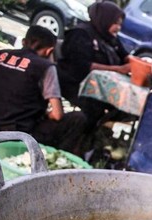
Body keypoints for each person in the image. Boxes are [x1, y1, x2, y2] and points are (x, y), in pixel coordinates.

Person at [0, 26, 87, 156]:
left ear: (24, 41)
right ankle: (54, 162)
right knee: (77, 118)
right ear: (50, 50)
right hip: (12, 133)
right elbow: (57, 114)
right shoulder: (45, 67)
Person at [57, 1, 130, 133]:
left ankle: (98, 134)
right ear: (105, 19)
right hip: (76, 85)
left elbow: (125, 55)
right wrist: (118, 69)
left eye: (120, 24)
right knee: (95, 109)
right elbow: (83, 65)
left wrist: (140, 63)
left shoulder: (109, 37)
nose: (118, 27)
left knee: (123, 107)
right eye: (115, 23)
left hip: (102, 87)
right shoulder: (80, 34)